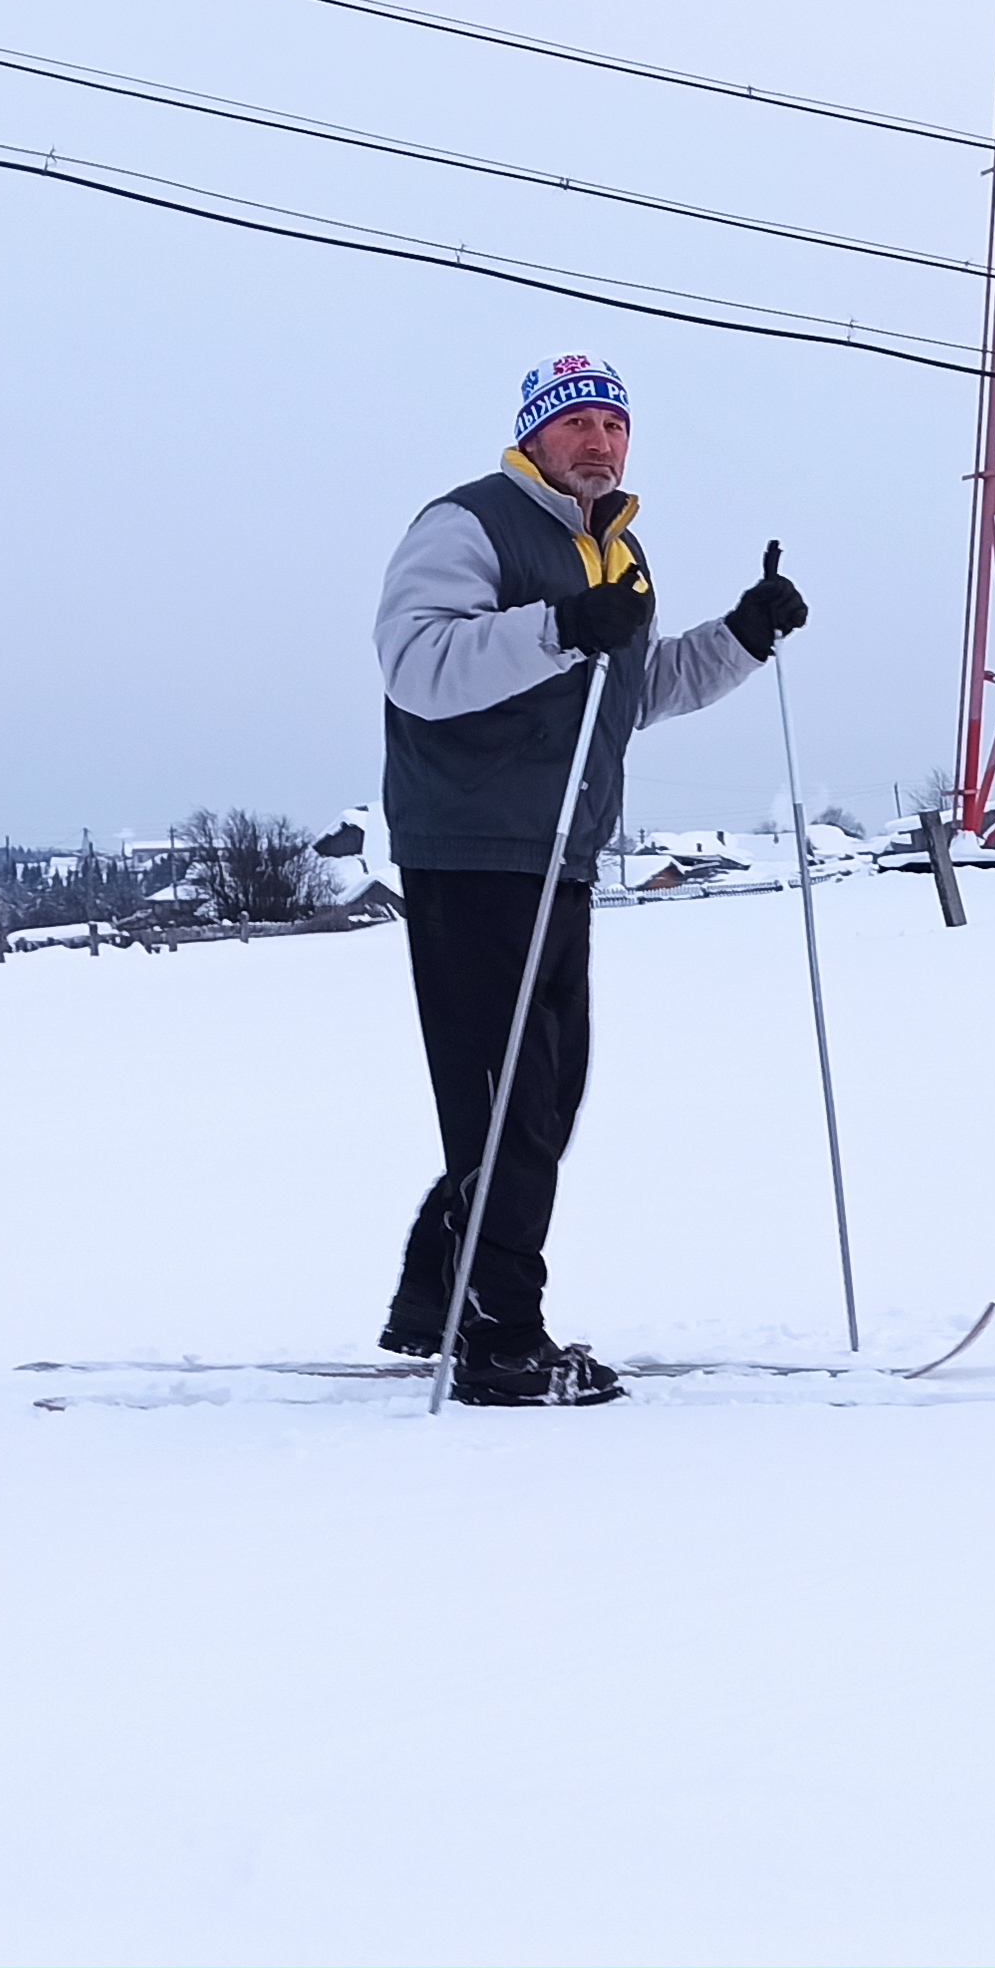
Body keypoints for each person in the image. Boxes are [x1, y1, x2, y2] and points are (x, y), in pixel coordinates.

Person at [370, 354, 806, 1406]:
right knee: (505, 1106)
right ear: (533, 433)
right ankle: (502, 1341)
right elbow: (417, 665)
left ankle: (440, 1293)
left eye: (615, 424)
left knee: (543, 1105)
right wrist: (560, 625)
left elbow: (633, 691)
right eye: (578, 423)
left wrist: (745, 635)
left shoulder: (620, 553)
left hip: (559, 858)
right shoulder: (468, 525)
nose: (600, 442)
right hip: (471, 854)